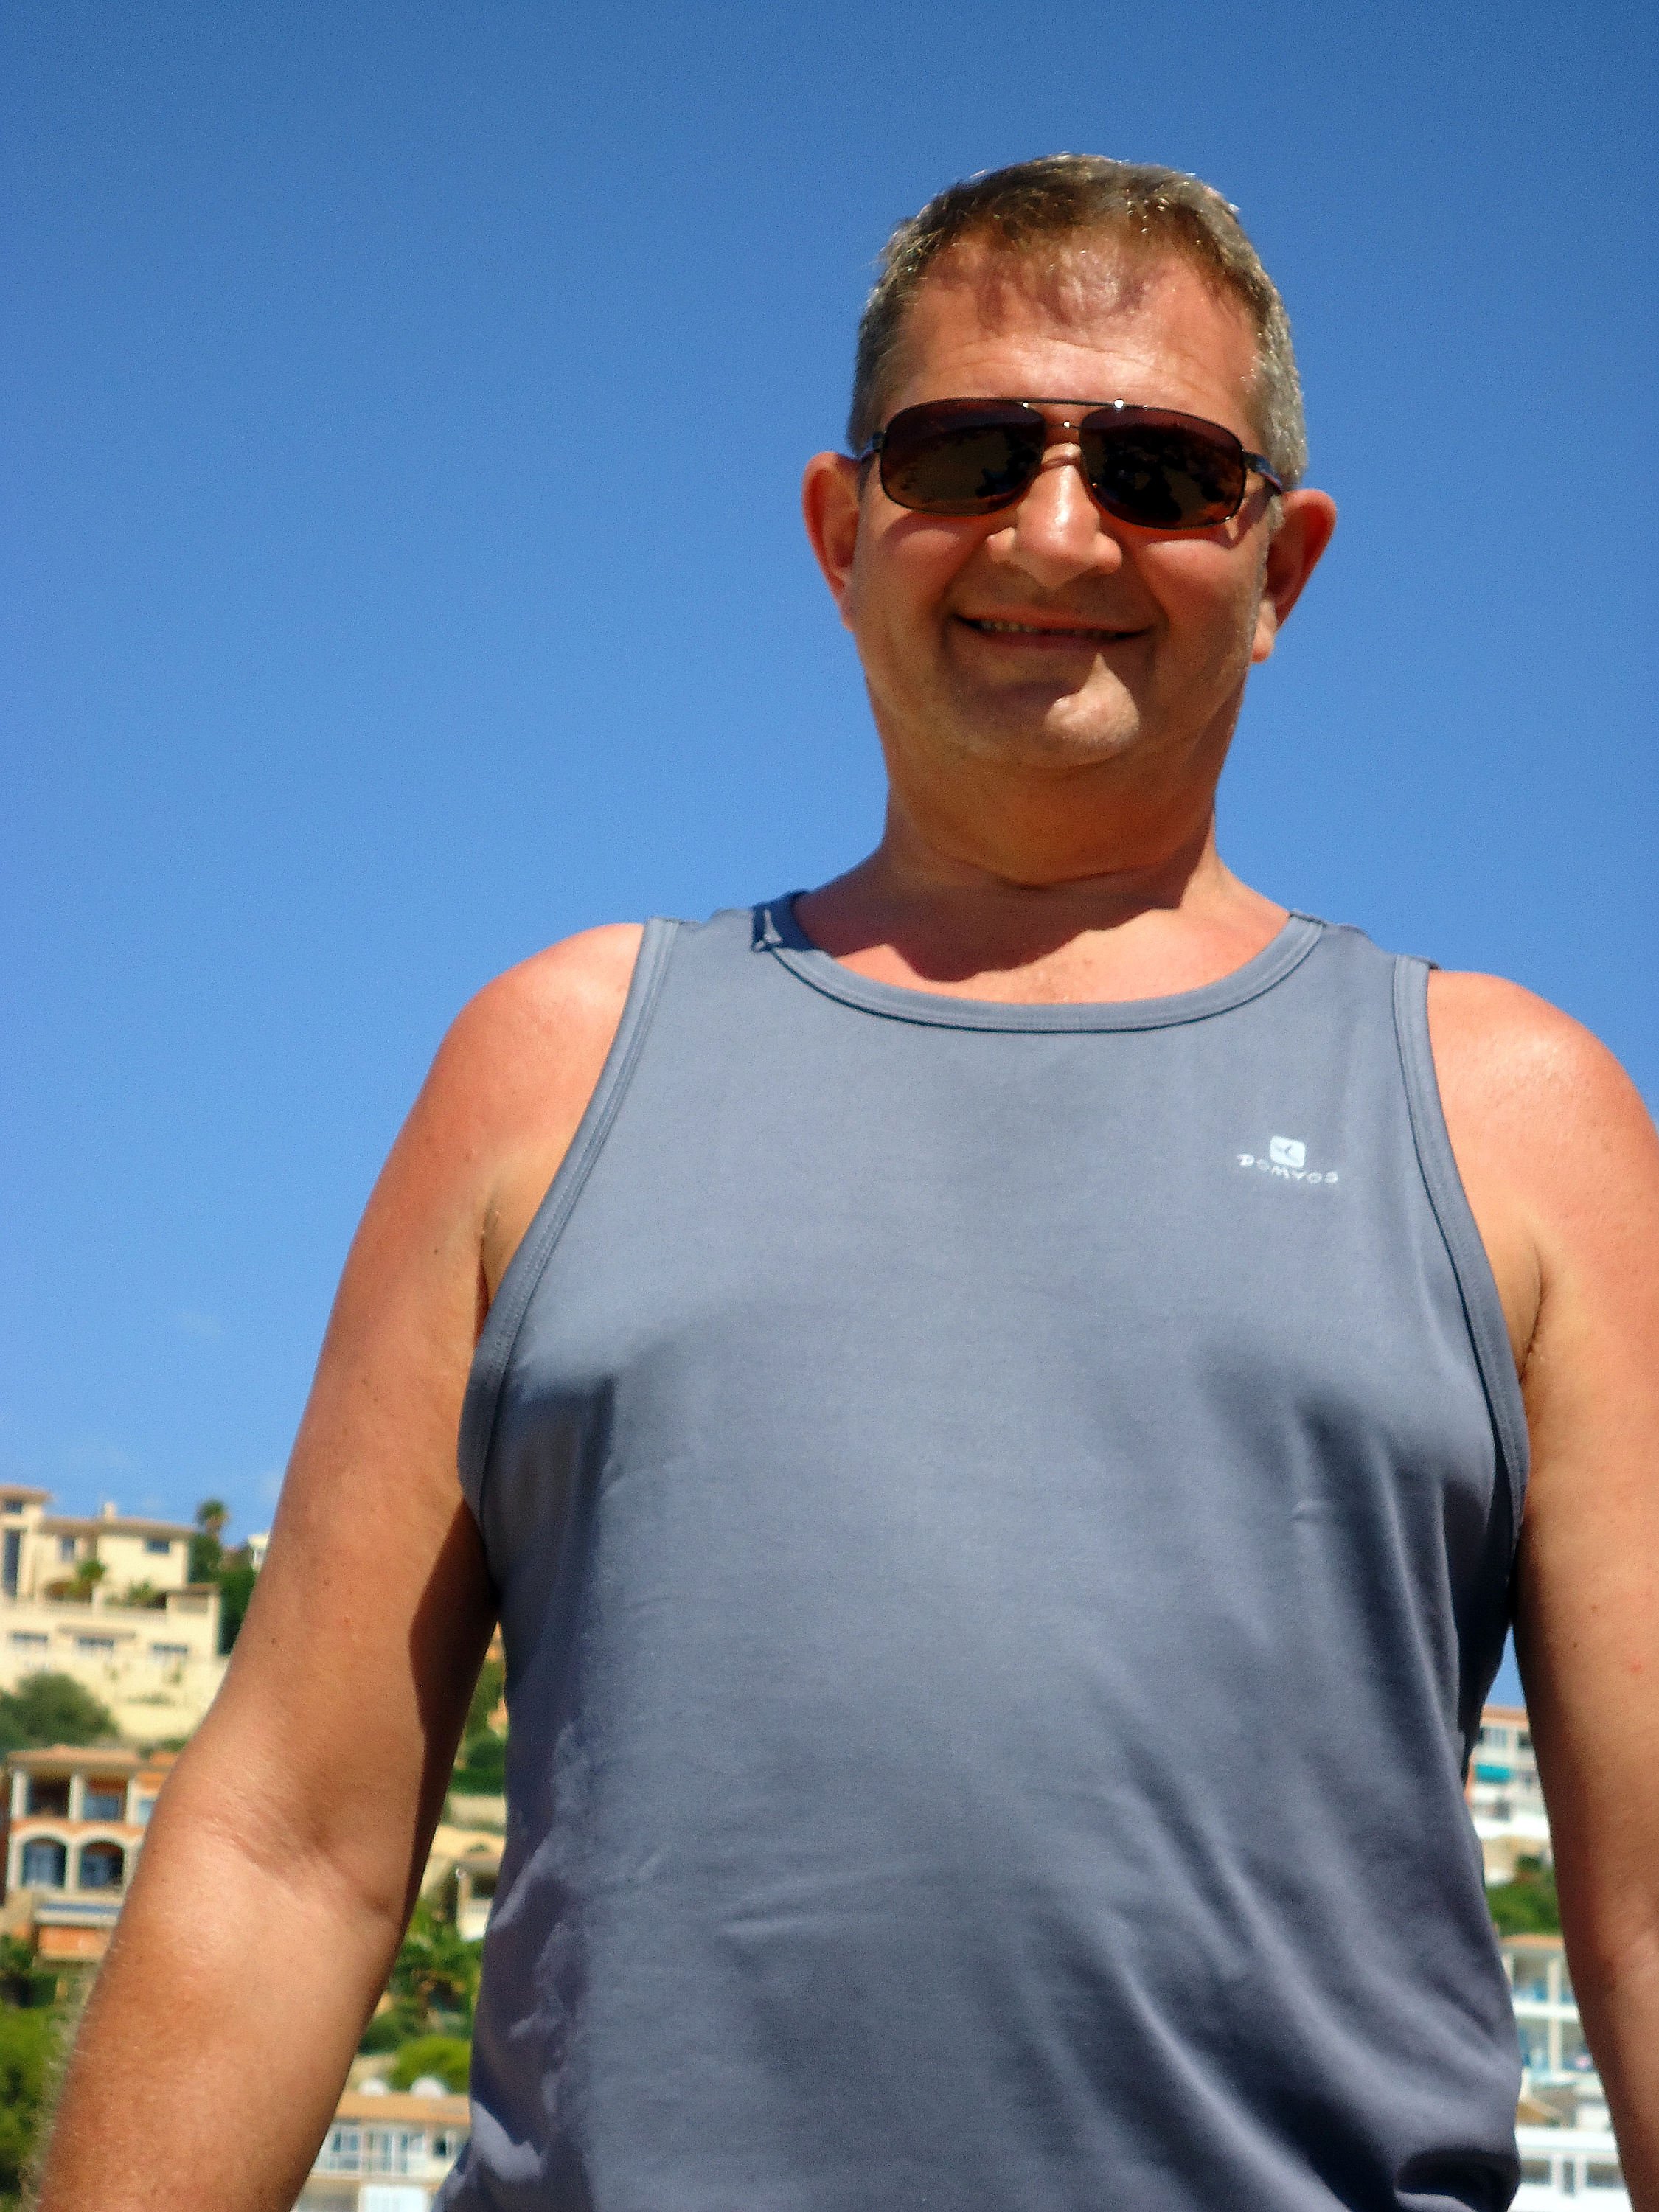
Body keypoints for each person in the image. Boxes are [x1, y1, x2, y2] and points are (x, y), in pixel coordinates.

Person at [37, 156, 1659, 2212]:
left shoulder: (1515, 1119)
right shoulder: (551, 1066)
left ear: (1282, 566)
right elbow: (290, 1843)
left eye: (1160, 473)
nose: (1055, 531)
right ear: (841, 527)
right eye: (967, 453)